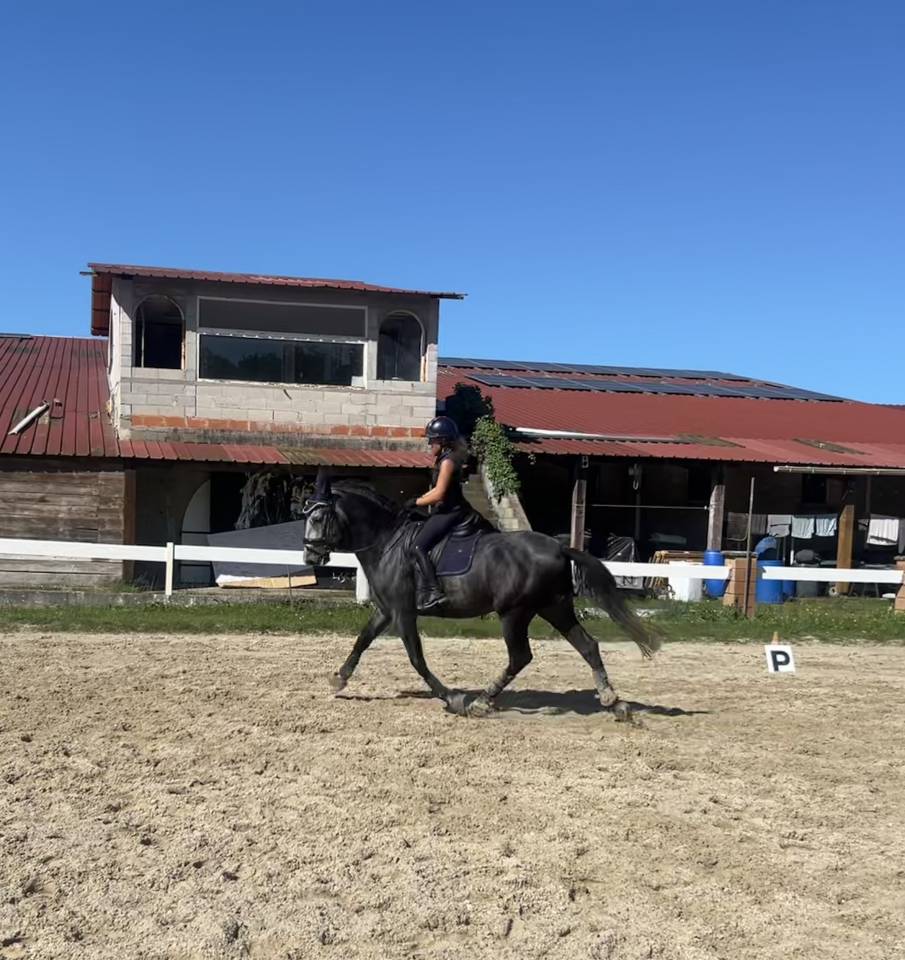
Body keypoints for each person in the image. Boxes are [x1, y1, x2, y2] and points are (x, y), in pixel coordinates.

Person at [406, 416, 471, 611]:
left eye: (432, 440)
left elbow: (440, 492)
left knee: (417, 547)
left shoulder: (448, 462)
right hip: (447, 509)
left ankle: (433, 591)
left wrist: (415, 502)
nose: (429, 444)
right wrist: (420, 498)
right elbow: (434, 491)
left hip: (450, 512)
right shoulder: (445, 459)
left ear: (442, 442)